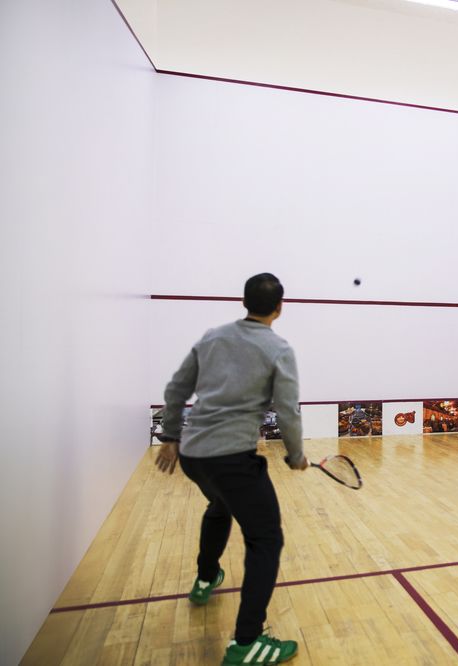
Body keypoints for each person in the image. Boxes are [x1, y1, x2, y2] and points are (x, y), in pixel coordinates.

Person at [155, 273, 307, 665]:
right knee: (266, 540)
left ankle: (206, 578)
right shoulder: (278, 348)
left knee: (220, 506)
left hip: (194, 456)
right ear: (280, 308)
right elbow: (287, 411)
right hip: (232, 459)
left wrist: (169, 435)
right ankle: (247, 642)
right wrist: (295, 456)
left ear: (244, 302)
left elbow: (176, 389)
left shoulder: (212, 337)